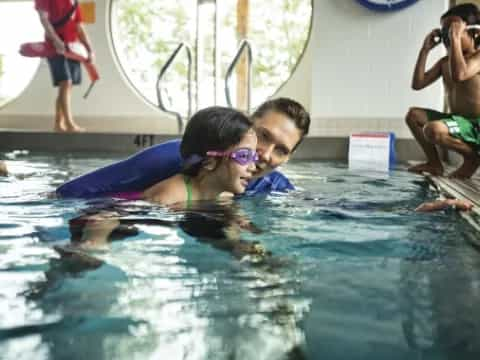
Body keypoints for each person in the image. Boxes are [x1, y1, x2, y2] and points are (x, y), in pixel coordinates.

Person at [61, 106, 266, 251]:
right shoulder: (172, 192)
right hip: (105, 213)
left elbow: (229, 218)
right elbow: (110, 215)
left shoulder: (225, 194)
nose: (253, 166)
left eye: (254, 156)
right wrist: (95, 240)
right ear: (209, 162)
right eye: (244, 156)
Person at [56, 97, 311, 197]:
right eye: (264, 135)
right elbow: (71, 193)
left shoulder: (273, 186)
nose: (264, 154)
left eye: (281, 150)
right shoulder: (171, 160)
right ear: (247, 124)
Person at [406, 3, 480, 179]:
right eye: (445, 32)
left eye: (453, 30)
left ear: (474, 33)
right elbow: (418, 84)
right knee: (413, 115)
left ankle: (472, 158)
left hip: (475, 125)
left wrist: (454, 38)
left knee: (433, 129)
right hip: (458, 122)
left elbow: (460, 74)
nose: (447, 37)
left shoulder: (477, 58)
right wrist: (425, 50)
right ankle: (434, 163)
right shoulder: (445, 63)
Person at [35, 0, 94, 132]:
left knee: (67, 86)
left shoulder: (74, 2)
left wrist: (89, 49)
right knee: (66, 82)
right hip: (54, 47)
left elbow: (79, 27)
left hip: (72, 47)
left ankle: (58, 123)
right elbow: (44, 19)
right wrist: (56, 40)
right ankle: (69, 123)